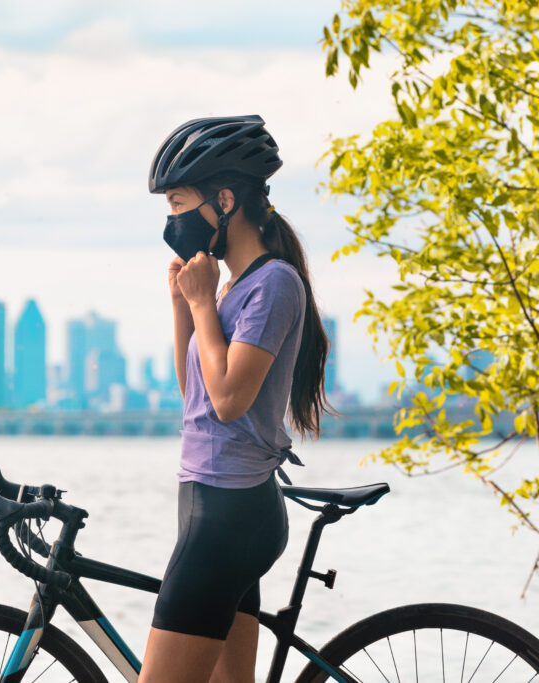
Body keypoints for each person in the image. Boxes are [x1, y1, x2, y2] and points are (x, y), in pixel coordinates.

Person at [138, 115, 337, 683]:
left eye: (179, 203)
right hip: (208, 503)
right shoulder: (231, 286)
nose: (173, 220)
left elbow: (229, 400)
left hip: (229, 515)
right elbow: (195, 394)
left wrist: (203, 305)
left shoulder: (274, 284)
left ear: (223, 201)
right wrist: (185, 306)